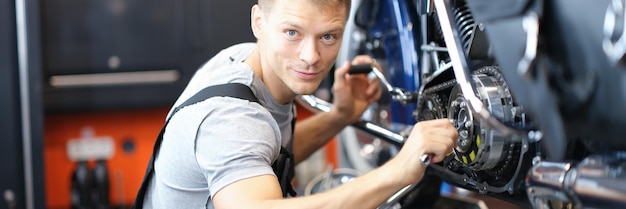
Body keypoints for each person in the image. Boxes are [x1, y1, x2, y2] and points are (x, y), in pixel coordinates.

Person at [139, 0, 458, 208]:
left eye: (328, 37)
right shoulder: (230, 116)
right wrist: (399, 172)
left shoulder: (243, 60)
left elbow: (265, 151)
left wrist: (340, 116)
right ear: (259, 21)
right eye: (293, 32)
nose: (311, 57)